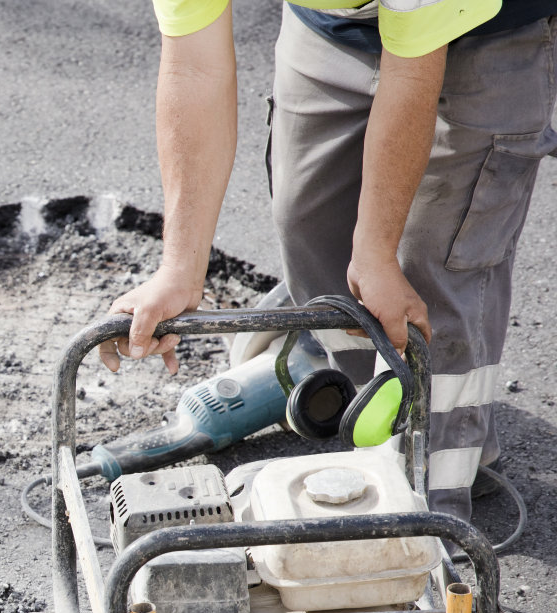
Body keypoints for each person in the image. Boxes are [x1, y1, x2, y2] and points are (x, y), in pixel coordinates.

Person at [104, 0, 557, 519]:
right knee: (308, 227)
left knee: (433, 263)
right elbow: (193, 66)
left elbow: (410, 74)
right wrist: (179, 269)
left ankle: (431, 517)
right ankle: (375, 420)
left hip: (485, 32)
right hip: (331, 25)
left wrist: (377, 255)